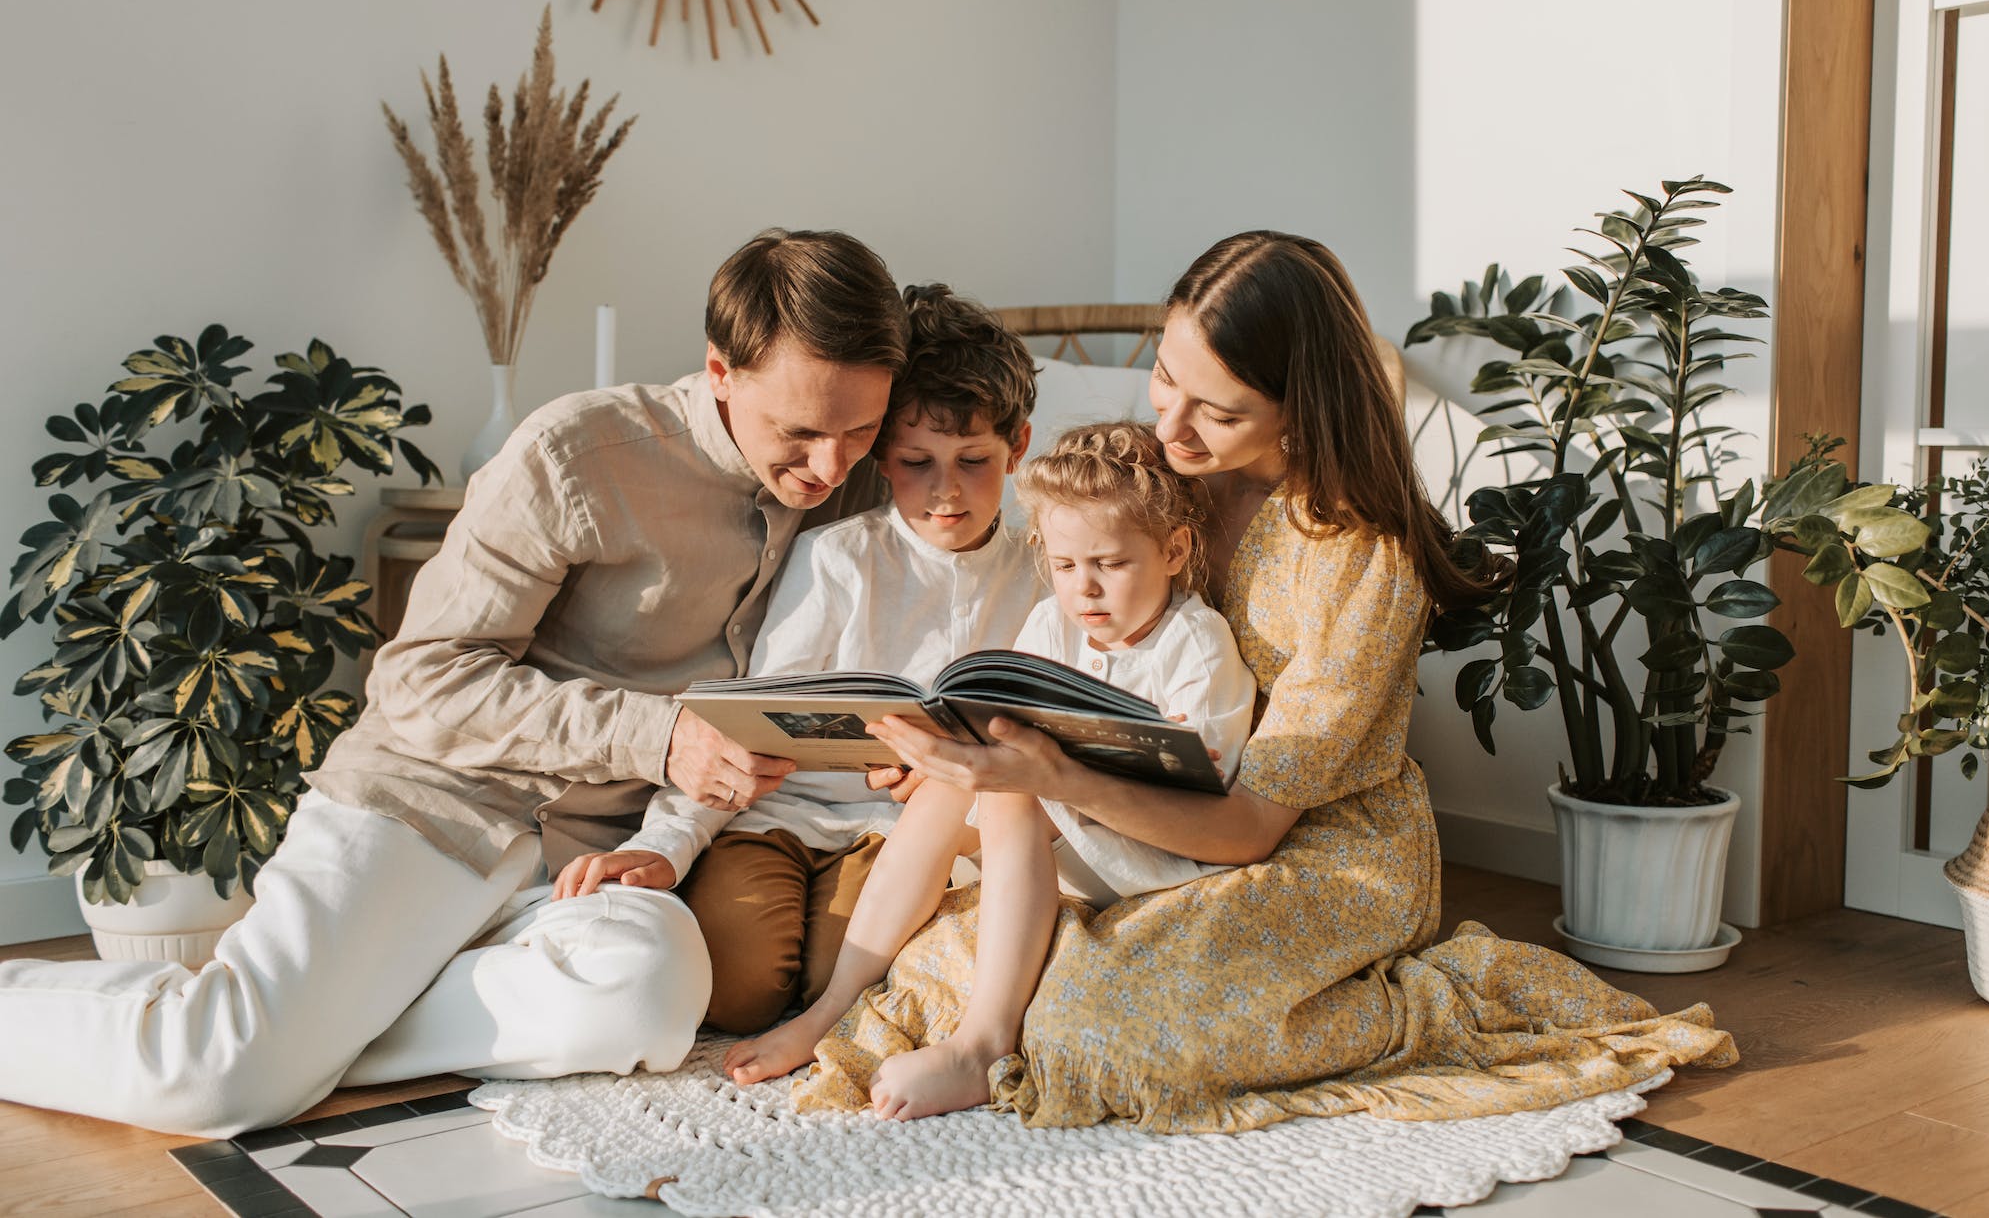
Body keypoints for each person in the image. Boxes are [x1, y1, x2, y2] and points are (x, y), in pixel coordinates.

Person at [794, 231, 1738, 1131]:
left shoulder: (1362, 560)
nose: (1170, 424)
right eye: (1166, 378)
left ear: (1300, 404)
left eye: (1218, 408)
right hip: (1138, 807)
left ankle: (1380, 1000)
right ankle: (1010, 998)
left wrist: (1054, 779)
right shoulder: (1166, 486)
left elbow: (1250, 828)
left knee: (1102, 1031)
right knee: (947, 940)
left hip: (1313, 849)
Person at [0, 228, 906, 1137]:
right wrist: (657, 736)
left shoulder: (859, 484)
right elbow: (421, 680)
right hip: (429, 805)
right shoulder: (576, 454)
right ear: (720, 369)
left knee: (654, 996)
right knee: (215, 1082)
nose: (830, 468)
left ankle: (311, 1038)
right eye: (799, 431)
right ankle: (248, 1041)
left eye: (858, 430)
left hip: (581, 864)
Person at [551, 284, 1045, 1037]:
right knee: (737, 990)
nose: (945, 491)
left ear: (1019, 446)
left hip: (902, 830)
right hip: (774, 815)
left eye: (973, 460)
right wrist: (662, 844)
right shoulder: (838, 558)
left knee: (838, 976)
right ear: (881, 455)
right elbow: (748, 719)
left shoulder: (1045, 573)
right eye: (916, 462)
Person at [725, 422, 1256, 1116]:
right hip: (1072, 837)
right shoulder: (1050, 624)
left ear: (1174, 550)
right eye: (1065, 566)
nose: (1085, 589)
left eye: (1111, 564)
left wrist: (1049, 772)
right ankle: (831, 1007)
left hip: (1150, 853)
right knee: (957, 781)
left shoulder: (1198, 646)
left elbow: (1200, 796)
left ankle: (983, 1041)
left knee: (1009, 790)